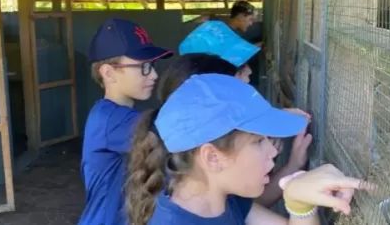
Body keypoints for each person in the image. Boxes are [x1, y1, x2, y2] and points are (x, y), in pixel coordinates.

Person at [127, 74, 371, 225]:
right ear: (212, 157)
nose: (273, 151)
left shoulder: (222, 202)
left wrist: (299, 202)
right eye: (257, 142)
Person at [156, 54, 312, 207]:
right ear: (212, 157)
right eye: (258, 141)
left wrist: (293, 168)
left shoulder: (216, 199)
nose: (249, 72)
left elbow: (248, 209)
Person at [79, 18, 172, 225]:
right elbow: (170, 131)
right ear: (109, 73)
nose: (154, 74)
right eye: (144, 67)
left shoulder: (117, 115)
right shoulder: (108, 118)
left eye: (153, 65)